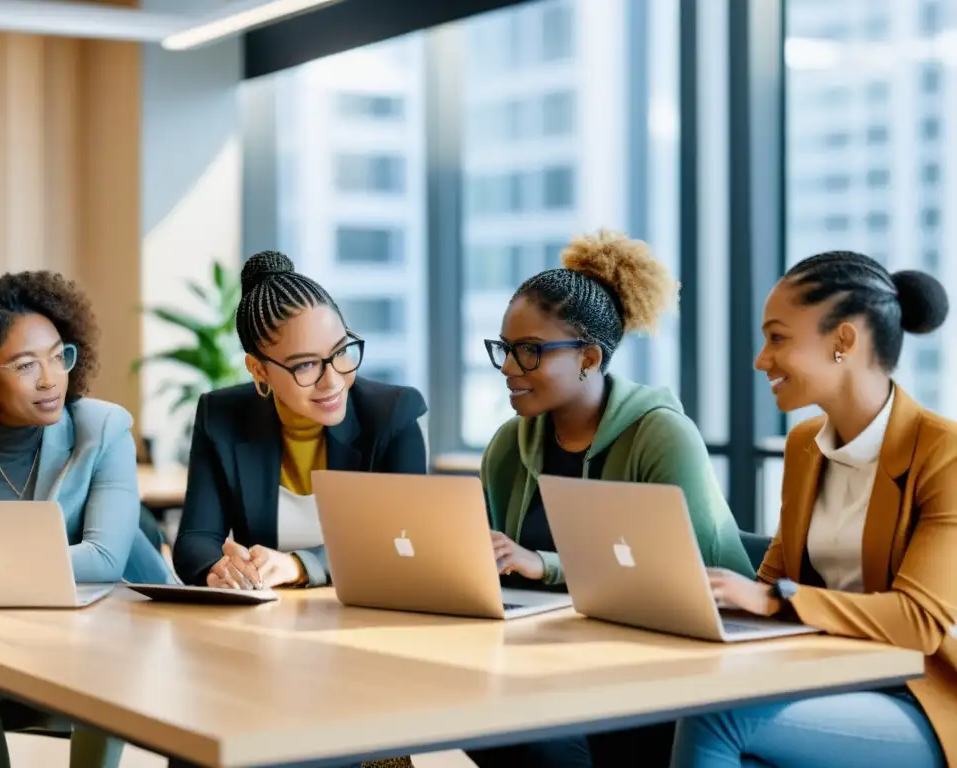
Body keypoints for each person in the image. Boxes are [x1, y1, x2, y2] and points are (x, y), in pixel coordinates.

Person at [471, 230, 754, 768]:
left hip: (679, 661)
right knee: (482, 719)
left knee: (526, 739)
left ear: (588, 357)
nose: (509, 368)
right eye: (505, 350)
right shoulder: (511, 443)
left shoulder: (661, 435)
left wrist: (544, 565)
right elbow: (489, 563)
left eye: (529, 352)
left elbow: (678, 578)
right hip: (563, 656)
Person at [671, 251, 955, 767]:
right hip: (828, 674)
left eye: (777, 338)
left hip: (923, 699)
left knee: (717, 715)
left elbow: (919, 621)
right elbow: (774, 578)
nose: (761, 359)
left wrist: (778, 601)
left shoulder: (944, 454)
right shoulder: (806, 446)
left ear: (842, 341)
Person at [172, 251, 426, 768]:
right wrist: (220, 568)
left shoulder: (393, 415)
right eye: (307, 366)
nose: (332, 380)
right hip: (262, 647)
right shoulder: (223, 415)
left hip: (360, 651)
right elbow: (194, 539)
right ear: (258, 369)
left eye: (342, 352)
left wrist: (298, 565)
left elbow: (402, 544)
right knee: (199, 742)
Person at [0, 271, 148, 768]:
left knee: (101, 667)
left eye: (59, 355)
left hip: (100, 630)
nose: (51, 379)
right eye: (27, 365)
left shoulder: (102, 429)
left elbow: (104, 558)